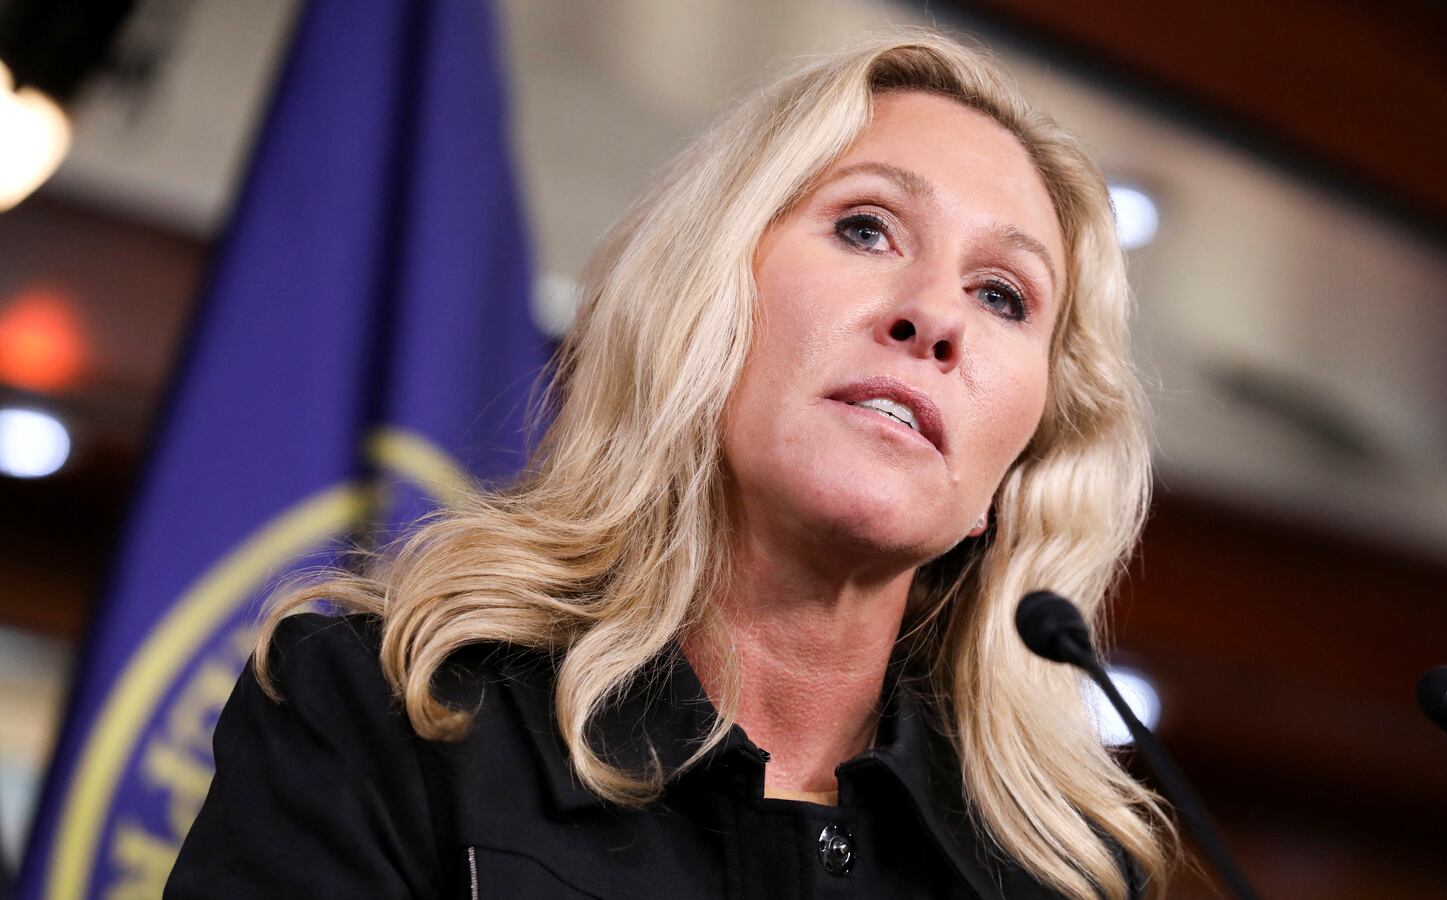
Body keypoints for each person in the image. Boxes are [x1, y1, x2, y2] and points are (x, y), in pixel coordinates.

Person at [166, 28, 1174, 900]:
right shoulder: (382, 715)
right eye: (866, 228)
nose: (935, 315)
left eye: (1003, 296)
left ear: (1016, 470)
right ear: (703, 309)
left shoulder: (1067, 875)